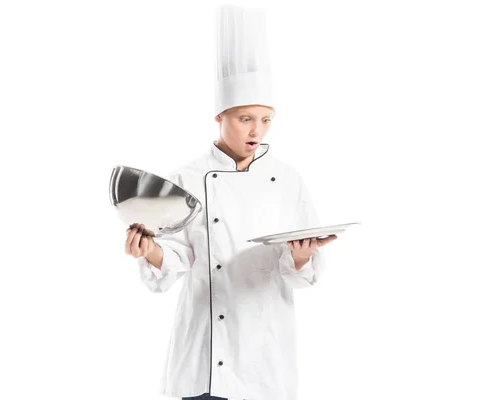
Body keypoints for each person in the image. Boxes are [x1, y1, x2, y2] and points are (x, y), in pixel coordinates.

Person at [123, 5, 337, 400]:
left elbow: (301, 274)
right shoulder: (187, 177)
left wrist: (303, 256)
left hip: (265, 353)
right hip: (204, 350)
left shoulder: (287, 179)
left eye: (267, 119)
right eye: (245, 119)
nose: (258, 131)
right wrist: (149, 250)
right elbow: (177, 259)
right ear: (220, 115)